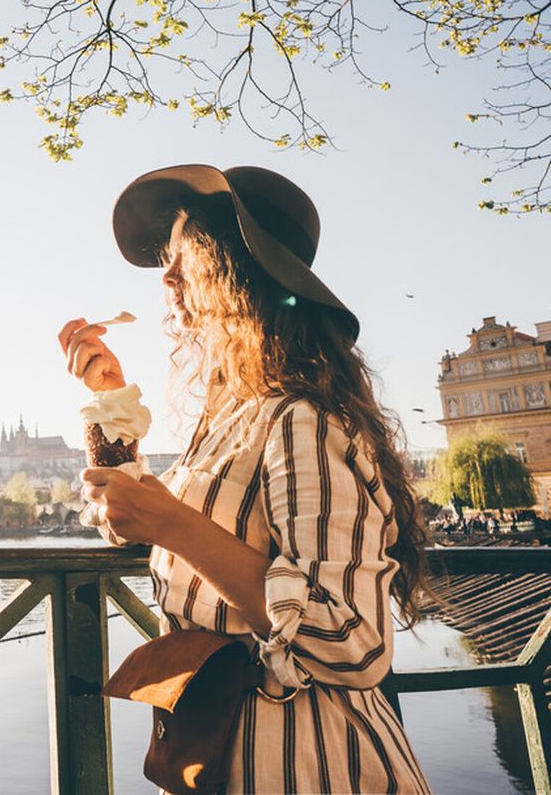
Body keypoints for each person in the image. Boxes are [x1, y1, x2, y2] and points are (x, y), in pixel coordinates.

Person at [59, 165, 431, 794]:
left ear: (236, 271)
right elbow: (132, 526)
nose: (167, 278)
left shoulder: (301, 418)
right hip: (226, 747)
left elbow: (355, 640)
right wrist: (110, 406)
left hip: (308, 761)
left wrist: (173, 525)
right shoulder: (233, 415)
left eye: (183, 258)